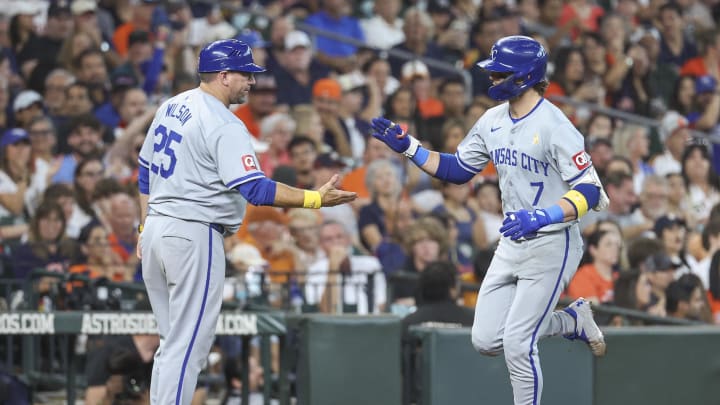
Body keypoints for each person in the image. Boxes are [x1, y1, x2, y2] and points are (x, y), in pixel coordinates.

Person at [370, 35, 609, 405]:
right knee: (486, 339)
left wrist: (544, 215)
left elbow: (590, 190)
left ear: (525, 76)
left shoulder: (555, 124)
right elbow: (458, 169)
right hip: (513, 237)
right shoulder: (492, 119)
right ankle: (571, 321)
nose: (492, 79)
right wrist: (411, 148)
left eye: (500, 73)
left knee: (517, 342)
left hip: (553, 239)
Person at [136, 38, 356, 405]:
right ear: (223, 75)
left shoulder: (173, 105)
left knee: (173, 342)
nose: (251, 82)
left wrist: (145, 225)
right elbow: (254, 189)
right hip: (193, 233)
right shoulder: (224, 123)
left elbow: (144, 170)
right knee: (187, 346)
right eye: (245, 74)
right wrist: (314, 198)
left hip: (159, 229)